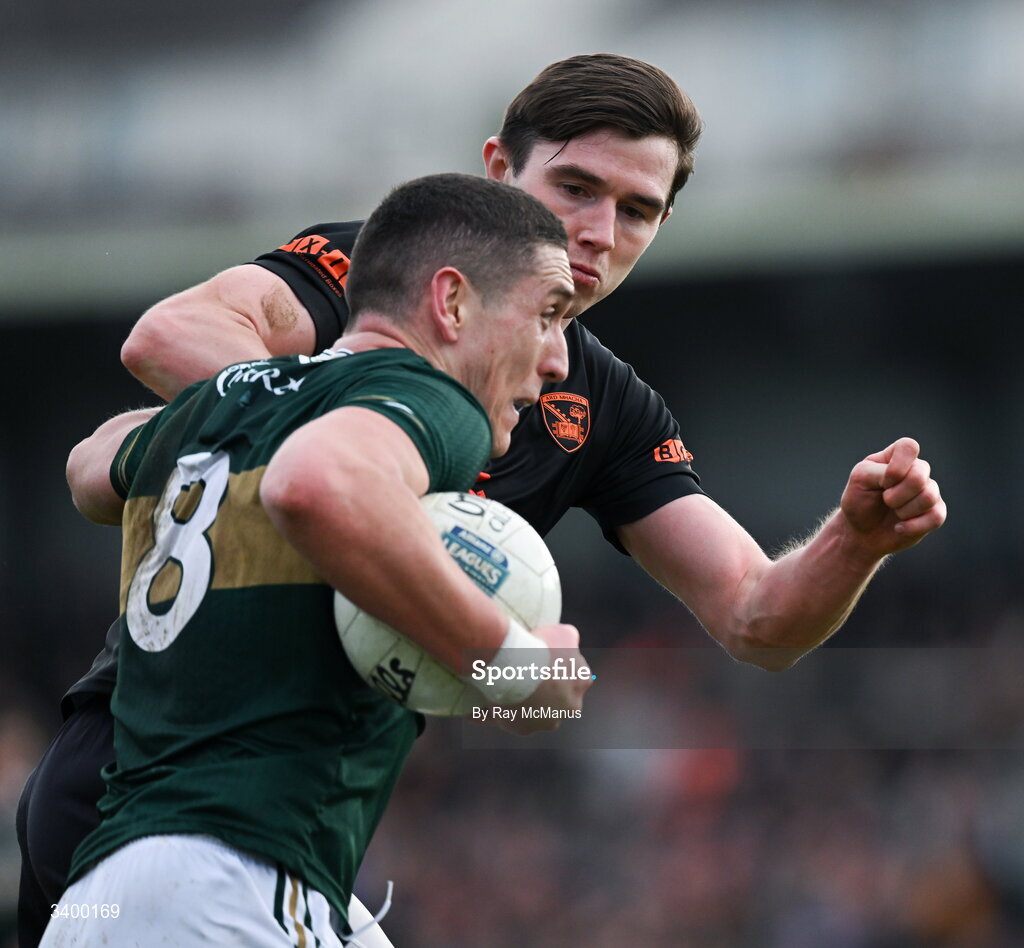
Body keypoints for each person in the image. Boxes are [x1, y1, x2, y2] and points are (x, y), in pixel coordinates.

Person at [18, 53, 947, 945]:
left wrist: (855, 541)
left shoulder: (603, 401)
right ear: (499, 170)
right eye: (576, 187)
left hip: (270, 829)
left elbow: (755, 616)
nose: (597, 232)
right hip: (152, 785)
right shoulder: (401, 293)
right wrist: (383, 467)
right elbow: (175, 344)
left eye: (637, 209)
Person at [38, 172, 589, 946]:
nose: (559, 359)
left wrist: (252, 405)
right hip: (234, 886)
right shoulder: (431, 397)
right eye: (548, 316)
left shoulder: (225, 401)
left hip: (112, 892)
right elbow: (317, 484)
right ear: (453, 303)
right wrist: (520, 671)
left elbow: (90, 468)